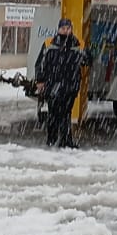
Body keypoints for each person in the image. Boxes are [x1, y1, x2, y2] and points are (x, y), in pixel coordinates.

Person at [34, 18, 87, 148]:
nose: (66, 31)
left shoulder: (79, 44)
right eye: (63, 28)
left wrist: (85, 58)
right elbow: (40, 64)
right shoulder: (49, 44)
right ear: (58, 29)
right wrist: (40, 80)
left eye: (68, 28)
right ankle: (51, 140)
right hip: (52, 85)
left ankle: (66, 141)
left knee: (66, 114)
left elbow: (87, 60)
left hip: (70, 86)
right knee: (53, 113)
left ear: (71, 29)